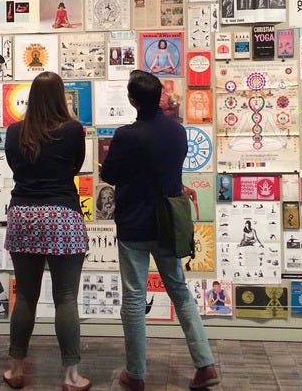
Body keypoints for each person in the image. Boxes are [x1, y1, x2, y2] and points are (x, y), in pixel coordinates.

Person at [100, 70, 218, 391]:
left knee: (134, 298)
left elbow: (109, 174)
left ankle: (135, 374)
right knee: (180, 291)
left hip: (133, 225)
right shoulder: (177, 132)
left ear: (132, 100)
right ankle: (205, 364)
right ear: (160, 98)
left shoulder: (126, 136)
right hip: (168, 223)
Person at [3, 71, 90, 391]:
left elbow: (15, 167)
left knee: (25, 295)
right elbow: (75, 167)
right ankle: (71, 376)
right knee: (65, 297)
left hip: (23, 214)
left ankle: (16, 370)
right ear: (60, 96)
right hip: (62, 214)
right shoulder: (73, 130)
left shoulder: (14, 132)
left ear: (31, 98)